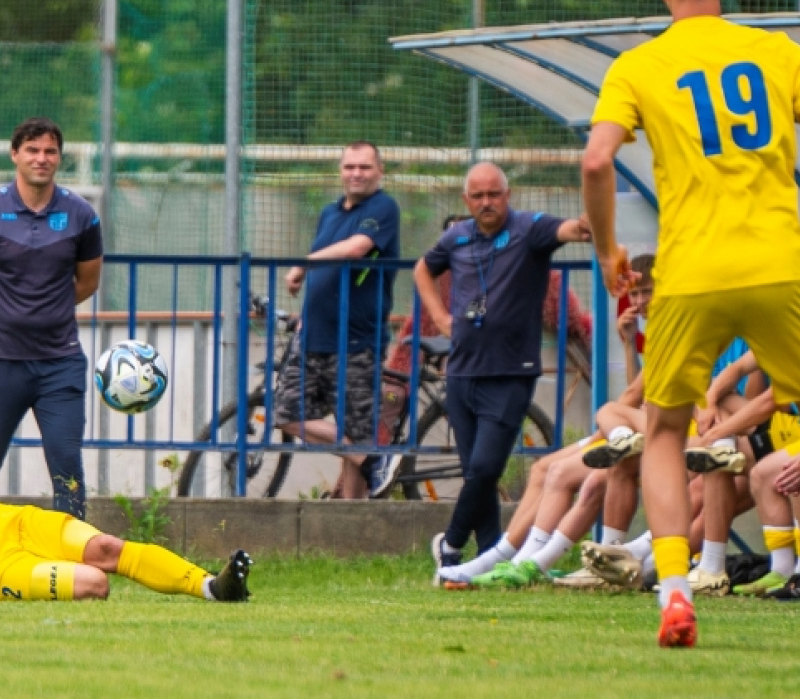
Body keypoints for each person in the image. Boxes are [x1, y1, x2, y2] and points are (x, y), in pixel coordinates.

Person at [581, 0, 800, 647]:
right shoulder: (775, 51)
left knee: (668, 430)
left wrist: (612, 248)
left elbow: (595, 162)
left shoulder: (638, 66)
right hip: (782, 263)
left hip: (692, 272)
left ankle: (675, 590)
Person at [414, 161, 591, 583]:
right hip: (462, 372)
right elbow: (424, 268)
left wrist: (588, 221)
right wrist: (439, 316)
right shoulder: (457, 236)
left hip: (511, 371)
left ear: (507, 196)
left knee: (488, 466)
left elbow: (569, 231)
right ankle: (490, 557)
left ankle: (451, 544)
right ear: (466, 201)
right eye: (478, 196)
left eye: (494, 194)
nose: (487, 202)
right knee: (476, 469)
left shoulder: (530, 229)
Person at [274, 141, 401, 499]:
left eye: (364, 167)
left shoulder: (382, 207)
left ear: (380, 171)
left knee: (358, 427)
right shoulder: (330, 213)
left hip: (356, 341)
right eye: (349, 167)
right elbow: (330, 269)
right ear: (340, 171)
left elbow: (357, 248)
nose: (356, 174)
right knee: (286, 412)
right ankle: (369, 458)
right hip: (313, 335)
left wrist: (302, 263)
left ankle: (351, 518)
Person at [0, 117, 103, 521]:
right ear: (15, 155)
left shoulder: (82, 215)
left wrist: (45, 311)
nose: (41, 159)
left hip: (60, 364)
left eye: (50, 151)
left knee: (67, 469)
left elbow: (87, 283)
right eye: (32, 150)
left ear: (59, 158)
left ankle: (77, 564)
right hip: (4, 361)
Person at [0, 501, 251, 602]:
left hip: (14, 522)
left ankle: (212, 587)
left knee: (104, 547)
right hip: (4, 567)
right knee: (94, 583)